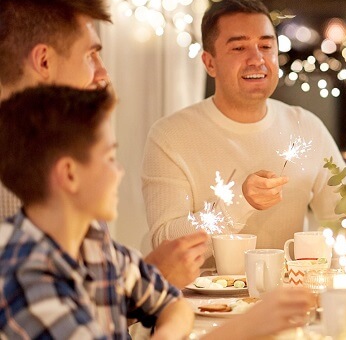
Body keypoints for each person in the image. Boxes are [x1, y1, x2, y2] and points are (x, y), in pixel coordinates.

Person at [0, 86, 316, 339]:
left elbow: (170, 301)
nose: (120, 172)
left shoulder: (88, 242)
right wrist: (244, 328)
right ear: (69, 174)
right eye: (109, 158)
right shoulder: (29, 279)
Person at [0, 0, 207, 288]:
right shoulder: (22, 170)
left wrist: (144, 279)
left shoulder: (65, 143)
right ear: (43, 61)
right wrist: (154, 278)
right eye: (89, 55)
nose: (103, 72)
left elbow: (92, 287)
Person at [142, 0, 346, 255]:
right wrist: (240, 202)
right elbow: (164, 243)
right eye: (239, 48)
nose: (257, 59)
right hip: (199, 294)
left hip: (288, 292)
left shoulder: (305, 127)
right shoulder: (171, 136)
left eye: (266, 47)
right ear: (209, 63)